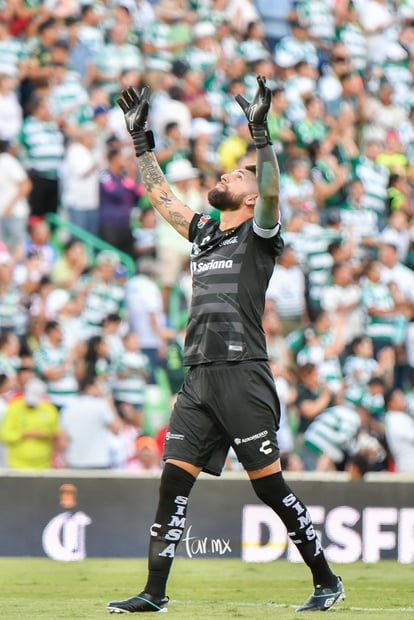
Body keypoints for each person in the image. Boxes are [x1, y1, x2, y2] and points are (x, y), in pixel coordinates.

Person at [106, 76, 345, 614]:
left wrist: (261, 136)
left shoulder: (259, 232)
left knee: (270, 488)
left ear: (253, 195)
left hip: (242, 373)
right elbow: (162, 196)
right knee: (172, 482)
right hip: (199, 375)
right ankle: (154, 593)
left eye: (236, 174)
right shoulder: (206, 232)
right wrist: (141, 142)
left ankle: (326, 580)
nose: (223, 175)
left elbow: (275, 190)